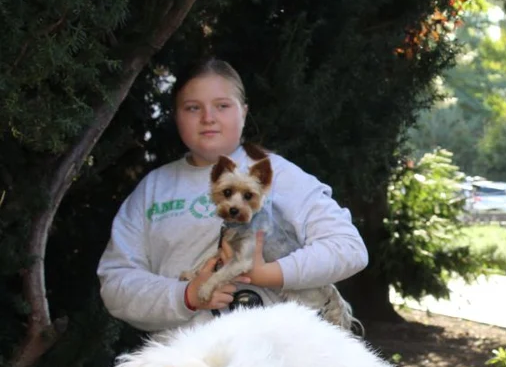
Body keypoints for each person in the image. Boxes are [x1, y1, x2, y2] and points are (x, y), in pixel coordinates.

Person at [98, 58, 369, 333]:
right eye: (193, 108)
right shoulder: (153, 188)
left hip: (274, 357)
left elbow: (348, 248)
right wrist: (186, 296)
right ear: (176, 115)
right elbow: (116, 282)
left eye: (222, 106)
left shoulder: (281, 175)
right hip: (180, 363)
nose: (208, 118)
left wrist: (269, 274)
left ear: (244, 112)